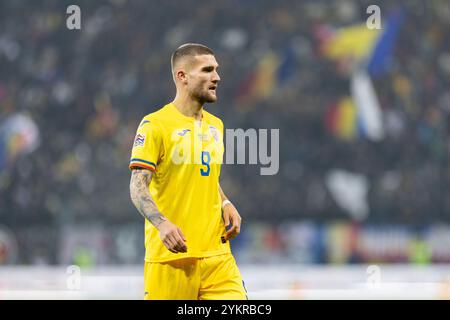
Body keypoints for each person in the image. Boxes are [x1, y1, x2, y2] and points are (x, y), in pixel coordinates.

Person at [129, 43, 247, 300]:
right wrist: (161, 224)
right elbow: (137, 187)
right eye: (207, 70)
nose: (217, 77)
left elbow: (205, 176)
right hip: (171, 259)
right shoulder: (155, 125)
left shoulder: (216, 125)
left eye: (216, 70)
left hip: (217, 257)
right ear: (182, 76)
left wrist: (224, 201)